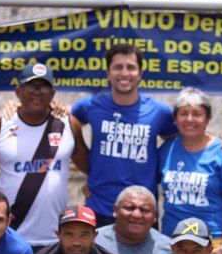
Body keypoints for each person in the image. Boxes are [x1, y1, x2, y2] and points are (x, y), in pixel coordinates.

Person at [71, 43, 177, 227]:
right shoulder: (90, 106)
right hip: (100, 206)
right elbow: (68, 121)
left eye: (131, 67)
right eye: (118, 67)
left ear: (141, 73)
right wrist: (90, 170)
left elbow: (183, 139)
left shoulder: (159, 112)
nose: (124, 73)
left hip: (142, 210)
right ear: (108, 72)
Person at [0, 62, 83, 250]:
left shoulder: (69, 124)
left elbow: (89, 166)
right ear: (18, 91)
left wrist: (92, 184)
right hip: (10, 236)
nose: (37, 92)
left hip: (55, 238)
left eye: (43, 87)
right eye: (30, 86)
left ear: (52, 94)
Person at [158, 88, 222, 254]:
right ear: (175, 119)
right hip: (170, 242)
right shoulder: (166, 150)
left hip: (211, 243)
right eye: (183, 113)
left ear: (207, 119)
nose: (189, 119)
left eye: (196, 114)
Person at [95, 185, 173, 254]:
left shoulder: (169, 249)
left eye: (144, 210)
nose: (136, 215)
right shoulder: (94, 242)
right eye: (129, 208)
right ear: (115, 210)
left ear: (154, 216)